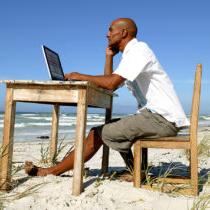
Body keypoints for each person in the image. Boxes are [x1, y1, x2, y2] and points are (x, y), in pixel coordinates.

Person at [25, 18, 189, 177]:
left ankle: (52, 171)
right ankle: (137, 171)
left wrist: (77, 75)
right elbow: (111, 82)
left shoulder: (139, 50)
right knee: (111, 125)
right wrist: (109, 56)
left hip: (161, 120)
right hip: (157, 117)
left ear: (123, 32)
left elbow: (110, 83)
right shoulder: (132, 54)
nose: (107, 34)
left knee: (97, 133)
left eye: (110, 29)